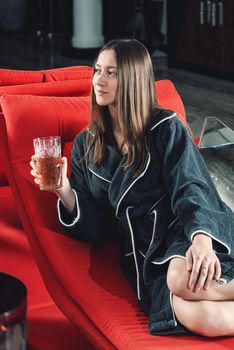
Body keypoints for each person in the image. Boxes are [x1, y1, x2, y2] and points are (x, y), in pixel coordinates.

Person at [30, 39, 234, 337]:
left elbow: (191, 186)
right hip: (145, 260)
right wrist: (63, 190)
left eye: (111, 73)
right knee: (201, 316)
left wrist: (202, 240)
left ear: (133, 79)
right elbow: (97, 229)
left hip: (188, 230)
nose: (99, 80)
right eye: (97, 70)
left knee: (179, 279)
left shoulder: (166, 127)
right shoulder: (88, 145)